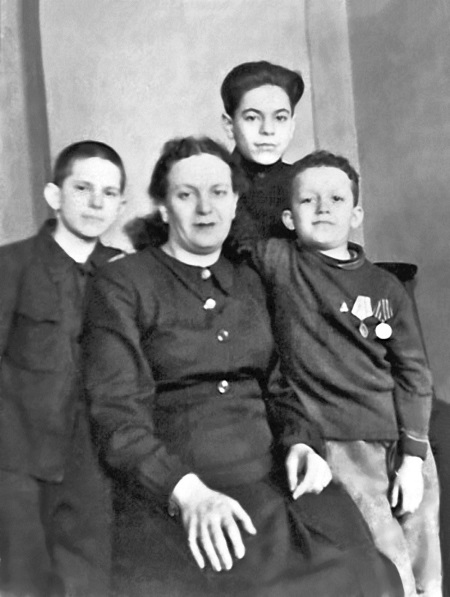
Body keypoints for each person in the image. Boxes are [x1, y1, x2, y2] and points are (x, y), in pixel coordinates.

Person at [82, 136, 403, 597]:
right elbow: (115, 417)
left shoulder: (250, 280)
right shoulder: (122, 284)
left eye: (218, 192)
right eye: (186, 194)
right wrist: (187, 494)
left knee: (370, 574)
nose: (205, 208)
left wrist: (301, 444)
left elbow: (279, 386)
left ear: (235, 203)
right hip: (182, 485)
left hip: (275, 476)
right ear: (164, 207)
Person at [244, 149, 442, 597]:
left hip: (402, 440)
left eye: (336, 199)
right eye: (308, 200)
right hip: (339, 443)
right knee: (386, 560)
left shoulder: (385, 286)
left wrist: (413, 457)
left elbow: (414, 372)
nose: (323, 208)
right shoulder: (279, 261)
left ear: (356, 214)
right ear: (289, 218)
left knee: (426, 561)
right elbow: (217, 242)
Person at [0, 140, 127, 597]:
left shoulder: (124, 273)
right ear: (54, 195)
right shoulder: (9, 265)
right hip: (16, 463)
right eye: (83, 188)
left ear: (122, 205)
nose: (96, 203)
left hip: (95, 467)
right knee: (21, 585)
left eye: (109, 193)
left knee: (90, 585)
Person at [220, 60, 303, 243]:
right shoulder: (210, 184)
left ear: (292, 125)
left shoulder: (306, 184)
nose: (267, 130)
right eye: (252, 118)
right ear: (229, 125)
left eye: (280, 118)